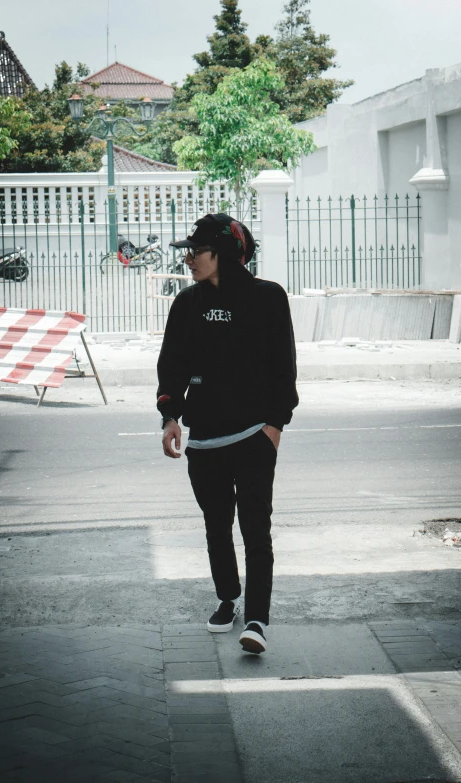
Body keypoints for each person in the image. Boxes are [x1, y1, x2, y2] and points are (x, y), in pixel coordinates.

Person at [157, 213, 298, 654]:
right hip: (205, 441)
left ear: (222, 254)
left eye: (195, 251)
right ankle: (228, 599)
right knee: (217, 527)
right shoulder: (187, 303)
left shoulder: (268, 297)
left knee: (256, 529)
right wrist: (170, 417)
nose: (188, 259)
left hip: (255, 434)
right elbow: (171, 366)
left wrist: (274, 426)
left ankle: (256, 619)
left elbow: (284, 367)